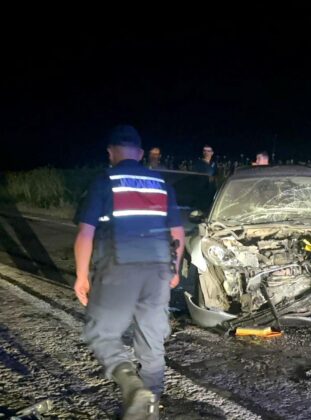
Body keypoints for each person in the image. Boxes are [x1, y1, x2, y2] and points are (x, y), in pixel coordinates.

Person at [74, 125, 184, 419]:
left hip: (119, 268)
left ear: (111, 152)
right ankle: (151, 410)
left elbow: (86, 233)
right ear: (139, 153)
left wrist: (81, 276)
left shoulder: (104, 180)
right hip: (159, 270)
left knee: (102, 333)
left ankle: (133, 389)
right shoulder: (161, 183)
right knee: (152, 342)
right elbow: (177, 231)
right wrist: (174, 269)